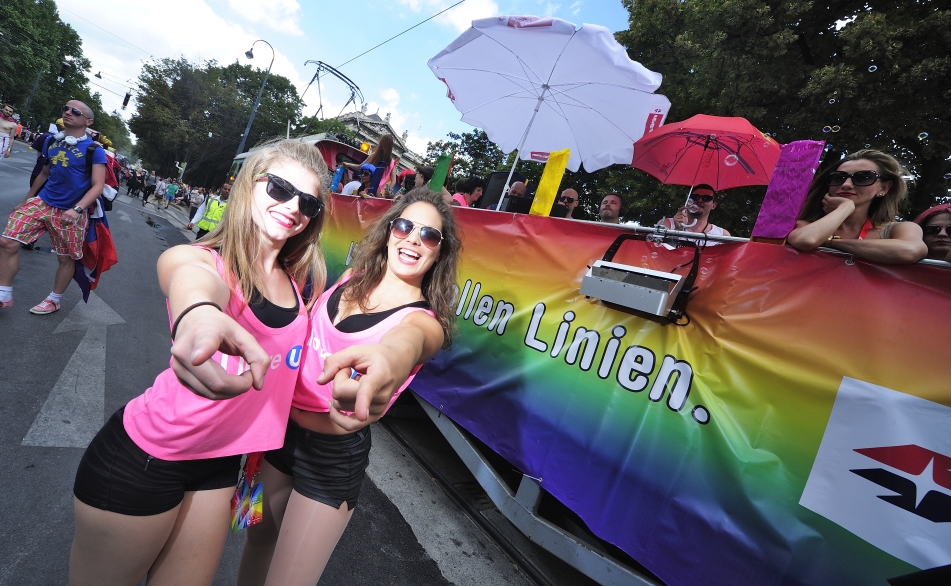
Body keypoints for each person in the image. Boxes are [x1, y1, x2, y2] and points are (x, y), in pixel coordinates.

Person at [68, 139, 329, 586]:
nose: (293, 207)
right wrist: (197, 315)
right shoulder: (207, 261)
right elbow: (187, 274)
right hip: (149, 456)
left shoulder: (300, 281)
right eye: (281, 188)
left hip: (221, 463)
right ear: (250, 185)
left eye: (308, 201)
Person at [236, 187, 461, 586]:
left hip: (332, 459)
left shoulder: (425, 322)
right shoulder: (351, 277)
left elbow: (407, 345)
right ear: (390, 231)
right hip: (275, 436)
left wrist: (388, 361)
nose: (413, 239)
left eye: (429, 235)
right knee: (255, 540)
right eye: (406, 226)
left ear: (439, 253)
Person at [0, 101, 106, 314]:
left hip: (71, 211)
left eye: (76, 111)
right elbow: (44, 174)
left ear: (88, 121)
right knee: (7, 241)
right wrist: (27, 199)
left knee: (65, 258)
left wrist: (77, 209)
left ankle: (54, 299)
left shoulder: (94, 150)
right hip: (43, 202)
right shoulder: (52, 142)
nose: (68, 112)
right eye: (65, 109)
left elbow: (98, 186)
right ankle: (3, 294)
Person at [787, 149, 927, 264]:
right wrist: (845, 208)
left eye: (863, 177)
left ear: (884, 188)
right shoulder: (803, 224)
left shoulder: (897, 229)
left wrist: (831, 243)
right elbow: (805, 240)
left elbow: (911, 251)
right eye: (838, 177)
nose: (846, 184)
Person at [655, 184, 731, 244]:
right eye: (695, 197)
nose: (700, 200)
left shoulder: (722, 235)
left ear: (714, 205)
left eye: (706, 198)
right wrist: (677, 230)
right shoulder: (666, 224)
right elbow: (660, 254)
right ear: (688, 200)